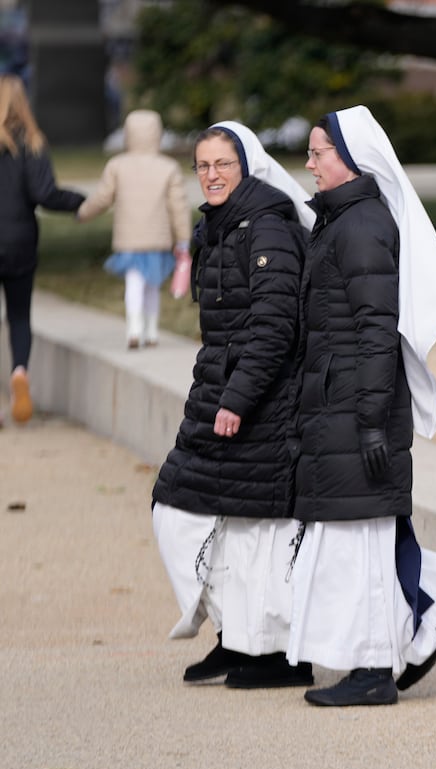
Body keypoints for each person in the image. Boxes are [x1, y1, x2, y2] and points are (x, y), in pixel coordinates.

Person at [287, 105, 436, 707]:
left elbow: (374, 330)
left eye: (318, 152)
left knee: (361, 544)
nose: (308, 163)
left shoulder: (360, 226)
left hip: (356, 413)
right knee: (368, 537)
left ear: (352, 159)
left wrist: (368, 423)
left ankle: (373, 672)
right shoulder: (342, 220)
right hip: (342, 409)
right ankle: (423, 618)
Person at [150, 121, 314, 688]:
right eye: (203, 166)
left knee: (254, 531)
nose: (212, 175)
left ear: (246, 166)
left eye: (223, 164)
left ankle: (274, 655)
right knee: (184, 511)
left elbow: (273, 330)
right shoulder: (219, 227)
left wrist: (238, 399)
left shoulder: (266, 229)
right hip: (219, 392)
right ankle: (237, 636)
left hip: (260, 403)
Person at [0, 74, 84, 426]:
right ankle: (19, 372)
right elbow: (45, 194)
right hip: (18, 241)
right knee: (19, 315)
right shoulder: (32, 142)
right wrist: (81, 202)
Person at [76, 109, 189, 349]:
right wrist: (184, 238)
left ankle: (133, 329)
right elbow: (178, 206)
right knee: (152, 286)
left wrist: (83, 213)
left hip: (129, 239)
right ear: (157, 134)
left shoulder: (117, 165)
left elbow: (102, 198)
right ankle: (152, 331)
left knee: (134, 284)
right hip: (157, 239)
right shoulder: (168, 167)